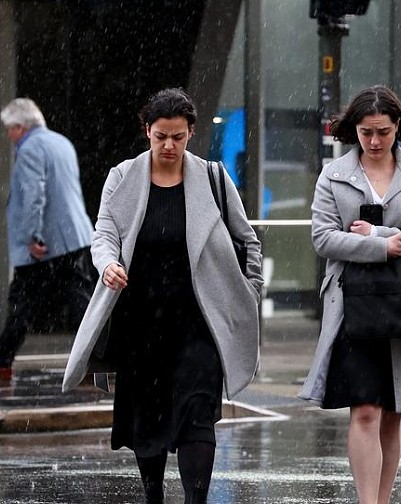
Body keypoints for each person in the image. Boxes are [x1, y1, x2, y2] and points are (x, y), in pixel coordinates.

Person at [61, 88, 263, 504]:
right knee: (147, 421)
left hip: (199, 320)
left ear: (191, 132)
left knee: (198, 414)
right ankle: (153, 495)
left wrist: (248, 295)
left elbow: (249, 241)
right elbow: (104, 234)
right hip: (141, 323)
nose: (169, 146)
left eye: (178, 136)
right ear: (147, 132)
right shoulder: (122, 177)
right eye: (160, 137)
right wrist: (108, 264)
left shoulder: (213, 178)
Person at [297, 86, 401, 504]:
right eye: (366, 132)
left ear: (398, 125)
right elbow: (323, 238)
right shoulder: (335, 174)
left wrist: (382, 235)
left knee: (393, 412)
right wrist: (380, 248)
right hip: (353, 304)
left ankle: (381, 500)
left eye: (382, 131)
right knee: (364, 408)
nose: (375, 140)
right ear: (354, 131)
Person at [0, 98, 95, 384]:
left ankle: (2, 360)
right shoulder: (61, 142)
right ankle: (97, 356)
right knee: (81, 299)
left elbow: (33, 195)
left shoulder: (29, 149)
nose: (8, 135)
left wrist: (32, 236)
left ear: (19, 127)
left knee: (21, 303)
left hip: (45, 244)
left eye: (9, 129)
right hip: (74, 236)